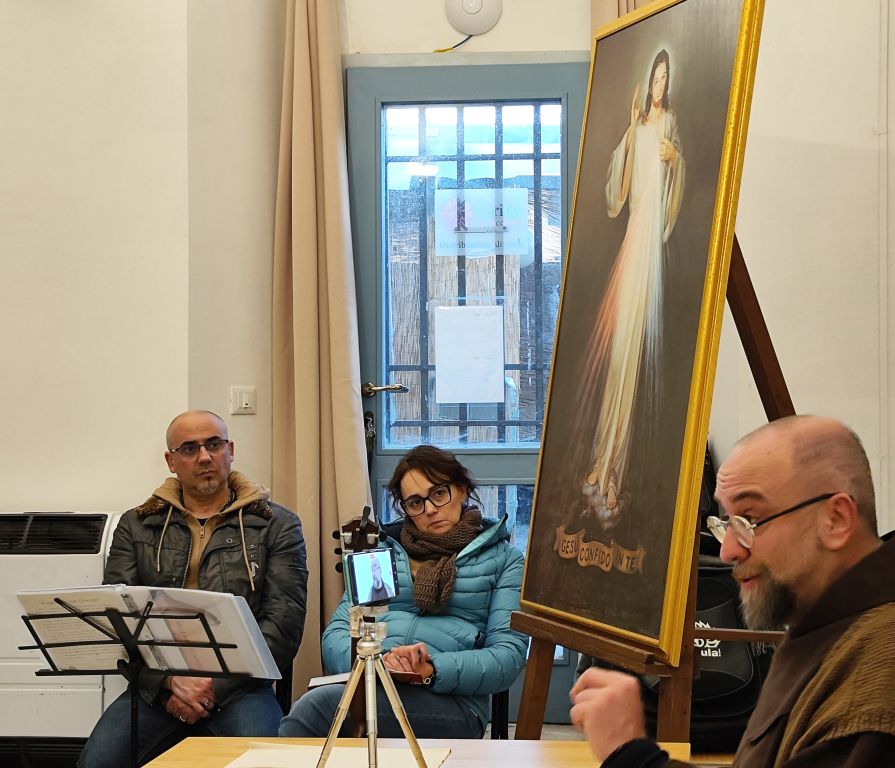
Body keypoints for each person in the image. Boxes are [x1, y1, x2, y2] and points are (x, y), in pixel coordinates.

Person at [570, 415, 895, 768]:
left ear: (836, 520)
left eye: (750, 519)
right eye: (725, 522)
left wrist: (632, 756)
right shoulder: (842, 626)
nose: (727, 550)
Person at [78, 410, 308, 768]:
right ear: (171, 461)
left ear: (230, 451)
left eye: (214, 444)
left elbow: (283, 625)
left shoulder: (276, 525)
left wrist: (211, 686)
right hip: (156, 688)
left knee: (266, 765)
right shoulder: (135, 525)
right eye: (189, 448)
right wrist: (171, 683)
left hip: (241, 687)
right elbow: (119, 622)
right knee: (97, 762)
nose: (204, 457)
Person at [280, 444, 528, 739]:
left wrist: (432, 669)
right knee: (316, 708)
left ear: (461, 490)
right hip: (375, 681)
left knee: (316, 709)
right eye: (415, 502)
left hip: (452, 701)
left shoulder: (504, 559)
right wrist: (379, 660)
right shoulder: (382, 551)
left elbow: (507, 655)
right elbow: (338, 633)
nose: (430, 509)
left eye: (439, 493)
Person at [580, 48, 685, 529]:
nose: (659, 86)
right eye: (655, 78)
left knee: (636, 359)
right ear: (647, 80)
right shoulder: (638, 127)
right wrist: (627, 135)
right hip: (632, 240)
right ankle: (602, 462)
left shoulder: (670, 128)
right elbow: (615, 197)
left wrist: (675, 160)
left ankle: (615, 472)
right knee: (619, 355)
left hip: (649, 252)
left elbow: (674, 188)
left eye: (665, 78)